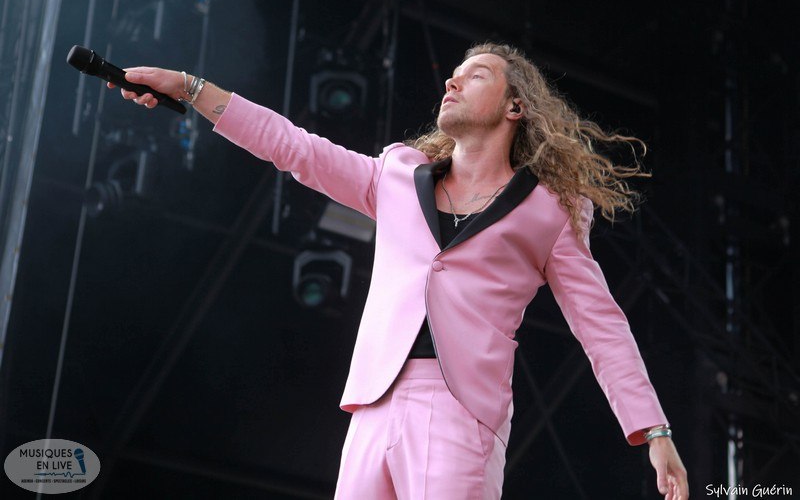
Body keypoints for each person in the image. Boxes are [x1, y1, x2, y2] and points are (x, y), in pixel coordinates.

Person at [108, 42, 689, 499]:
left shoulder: (551, 212)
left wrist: (654, 430)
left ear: (516, 107)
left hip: (460, 409)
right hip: (373, 403)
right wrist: (190, 87)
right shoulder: (396, 176)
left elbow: (601, 326)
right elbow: (293, 147)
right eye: (452, 75)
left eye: (475, 75)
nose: (451, 82)